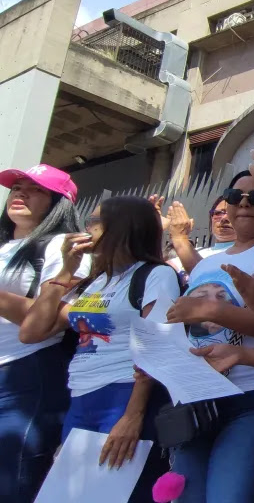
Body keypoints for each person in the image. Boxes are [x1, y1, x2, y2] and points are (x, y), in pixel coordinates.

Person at [18, 196, 180, 503]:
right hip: (81, 398)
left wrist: (133, 416)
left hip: (124, 395)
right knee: (73, 497)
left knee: (114, 494)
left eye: (95, 222)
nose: (87, 228)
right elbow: (32, 331)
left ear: (122, 227)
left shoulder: (156, 275)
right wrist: (65, 272)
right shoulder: (93, 282)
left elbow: (157, 345)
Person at [164, 170, 254, 503]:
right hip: (197, 398)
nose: (243, 204)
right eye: (234, 195)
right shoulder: (205, 264)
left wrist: (214, 312)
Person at [0, 165, 85, 503]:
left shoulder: (65, 248)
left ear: (58, 203)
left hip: (26, 375)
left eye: (33, 189)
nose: (19, 193)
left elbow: (49, 321)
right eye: (16, 187)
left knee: (14, 483)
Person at [156, 196, 236, 277]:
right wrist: (153, 231)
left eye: (233, 213)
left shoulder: (245, 256)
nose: (224, 218)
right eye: (218, 213)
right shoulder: (197, 251)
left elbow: (206, 279)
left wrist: (180, 238)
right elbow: (158, 274)